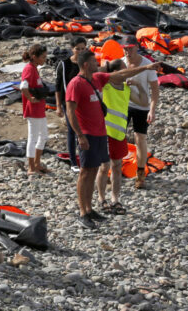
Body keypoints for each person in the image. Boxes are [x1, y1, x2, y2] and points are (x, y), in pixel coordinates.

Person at [65, 51, 160, 230]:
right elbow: (70, 111)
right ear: (86, 64)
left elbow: (121, 74)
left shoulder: (97, 79)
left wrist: (147, 67)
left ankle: (90, 209)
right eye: (94, 62)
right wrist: (80, 135)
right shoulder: (75, 84)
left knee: (93, 170)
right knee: (85, 173)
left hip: (100, 134)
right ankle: (83, 212)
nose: (98, 64)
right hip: (87, 135)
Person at [121, 35, 160, 189]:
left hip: (142, 105)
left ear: (137, 47)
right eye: (125, 49)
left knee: (140, 139)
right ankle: (114, 168)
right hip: (124, 104)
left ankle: (140, 173)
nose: (128, 52)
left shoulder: (147, 65)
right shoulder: (121, 63)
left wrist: (152, 110)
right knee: (118, 137)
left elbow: (155, 89)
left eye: (130, 48)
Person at [96, 60, 131, 215]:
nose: (127, 73)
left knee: (117, 167)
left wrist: (137, 85)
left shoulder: (127, 88)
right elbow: (96, 74)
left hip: (120, 134)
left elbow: (143, 100)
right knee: (104, 167)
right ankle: (101, 198)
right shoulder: (106, 86)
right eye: (124, 70)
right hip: (105, 133)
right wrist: (106, 67)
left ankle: (115, 199)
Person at [54, 36, 90, 171]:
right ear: (72, 49)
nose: (80, 51)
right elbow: (58, 86)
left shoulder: (87, 63)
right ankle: (74, 162)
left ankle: (84, 158)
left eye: (83, 49)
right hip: (69, 103)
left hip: (84, 103)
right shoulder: (64, 65)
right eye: (77, 49)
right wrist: (58, 106)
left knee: (85, 130)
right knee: (72, 130)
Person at [20, 44, 49, 177]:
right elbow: (23, 86)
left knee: (43, 136)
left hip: (39, 109)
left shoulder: (34, 69)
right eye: (42, 57)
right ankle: (31, 167)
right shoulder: (29, 69)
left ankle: (37, 163)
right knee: (33, 138)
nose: (45, 59)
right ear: (34, 57)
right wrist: (30, 99)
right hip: (33, 110)